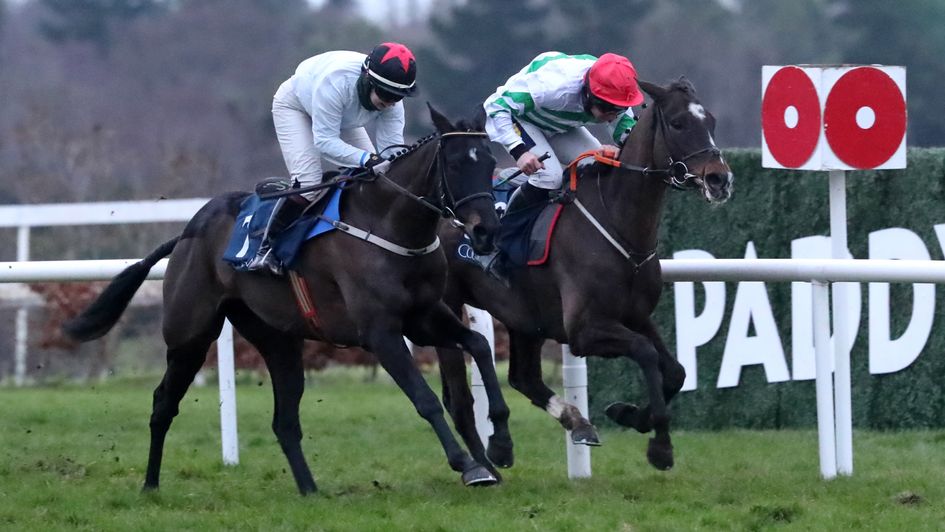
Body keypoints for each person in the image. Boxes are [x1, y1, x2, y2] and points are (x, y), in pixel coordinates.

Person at [246, 42, 418, 272]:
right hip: (296, 107)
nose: (388, 103)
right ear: (368, 79)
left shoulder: (393, 104)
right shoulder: (336, 83)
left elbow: (391, 153)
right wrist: (367, 159)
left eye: (396, 97)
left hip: (343, 116)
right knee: (309, 184)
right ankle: (265, 247)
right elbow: (325, 143)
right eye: (385, 94)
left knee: (378, 176)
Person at [483, 52, 643, 210]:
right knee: (550, 178)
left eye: (620, 108)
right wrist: (520, 152)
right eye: (608, 108)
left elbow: (631, 142)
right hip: (520, 118)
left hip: (557, 124)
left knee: (597, 167)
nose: (613, 115)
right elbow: (496, 105)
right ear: (590, 94)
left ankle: (527, 182)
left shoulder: (617, 93)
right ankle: (507, 228)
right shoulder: (554, 87)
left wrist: (619, 150)